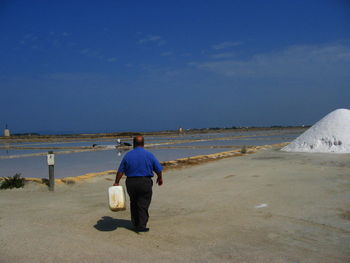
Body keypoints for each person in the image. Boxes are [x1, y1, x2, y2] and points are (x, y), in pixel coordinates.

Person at [114, 135, 163, 232]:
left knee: (134, 202)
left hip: (131, 182)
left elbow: (120, 171)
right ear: (143, 144)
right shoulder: (149, 154)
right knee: (143, 203)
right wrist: (160, 178)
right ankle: (141, 225)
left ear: (134, 144)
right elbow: (158, 168)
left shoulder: (128, 155)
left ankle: (135, 223)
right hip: (145, 182)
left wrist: (116, 182)